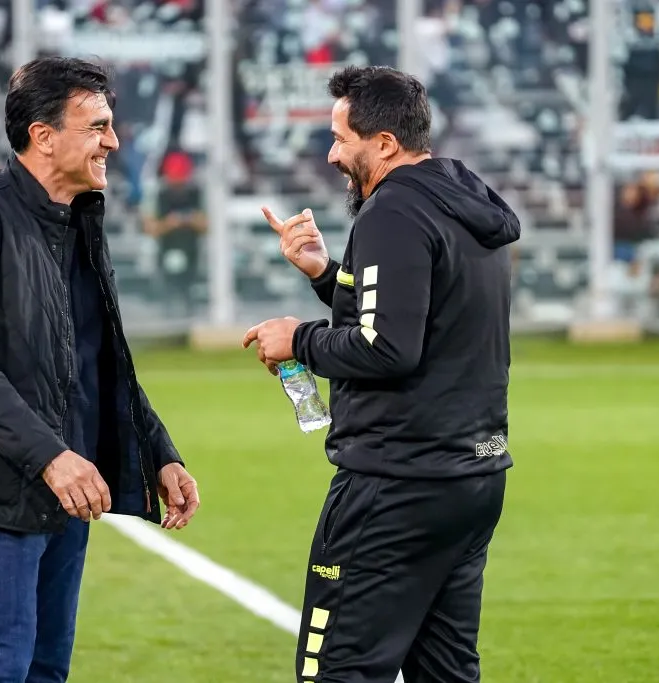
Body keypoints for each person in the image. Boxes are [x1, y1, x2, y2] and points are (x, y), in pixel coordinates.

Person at [0, 56, 201, 683]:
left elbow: (103, 358)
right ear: (43, 136)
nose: (113, 142)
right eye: (96, 126)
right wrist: (50, 456)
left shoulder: (80, 220)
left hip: (66, 487)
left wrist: (160, 452)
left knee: (44, 670)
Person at [242, 65, 520, 683]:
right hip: (470, 475)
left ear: (385, 142)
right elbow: (412, 315)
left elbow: (389, 348)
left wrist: (299, 339)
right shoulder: (461, 199)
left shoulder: (391, 210)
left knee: (336, 670)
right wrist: (323, 274)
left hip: (395, 484)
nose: (332, 153)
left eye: (341, 138)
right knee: (444, 672)